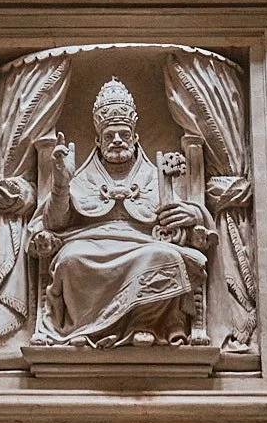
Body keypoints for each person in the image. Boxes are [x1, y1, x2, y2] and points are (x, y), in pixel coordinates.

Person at [28, 78, 213, 347]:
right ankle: (86, 329)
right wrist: (61, 183)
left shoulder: (155, 175)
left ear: (135, 137)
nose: (117, 140)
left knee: (163, 255)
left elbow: (187, 212)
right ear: (98, 140)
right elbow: (55, 223)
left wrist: (192, 215)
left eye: (124, 135)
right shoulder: (81, 176)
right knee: (70, 260)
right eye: (109, 136)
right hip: (90, 244)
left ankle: (144, 323)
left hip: (143, 245)